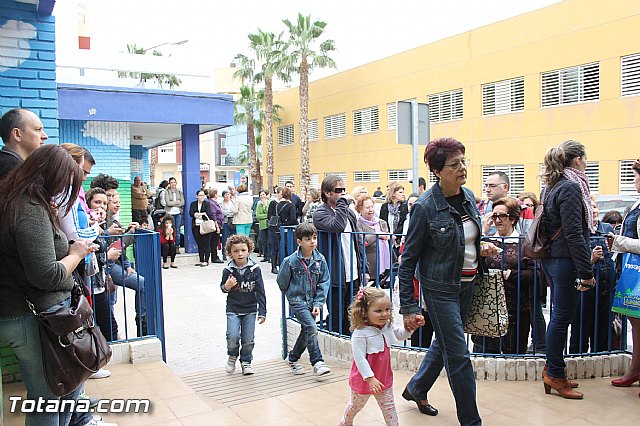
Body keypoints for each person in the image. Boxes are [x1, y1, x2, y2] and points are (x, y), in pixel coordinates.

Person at [398, 137, 498, 425]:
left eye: (463, 161)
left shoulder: (467, 196)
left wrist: (484, 247)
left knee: (444, 345)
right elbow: (408, 260)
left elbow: (466, 239)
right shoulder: (426, 207)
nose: (462, 168)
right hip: (439, 290)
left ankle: (417, 388)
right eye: (454, 164)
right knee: (459, 356)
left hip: (468, 285)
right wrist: (409, 306)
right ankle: (471, 421)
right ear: (438, 171)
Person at [0, 145, 98, 425]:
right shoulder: (29, 208)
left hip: (29, 314)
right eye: (65, 183)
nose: (65, 192)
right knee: (46, 399)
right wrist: (75, 254)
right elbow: (47, 275)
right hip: (32, 317)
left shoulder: (15, 200)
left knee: (61, 392)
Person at [540, 139, 596, 399]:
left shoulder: (552, 186)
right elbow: (575, 234)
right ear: (577, 160)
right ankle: (554, 373)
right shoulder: (571, 187)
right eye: (585, 159)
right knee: (562, 318)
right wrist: (586, 272)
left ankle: (555, 370)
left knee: (559, 317)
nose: (586, 164)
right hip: (564, 261)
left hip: (553, 259)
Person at [340, 286, 422, 426]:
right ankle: (346, 422)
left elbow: (400, 335)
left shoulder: (386, 326)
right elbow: (359, 359)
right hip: (364, 380)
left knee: (389, 408)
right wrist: (370, 379)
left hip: (384, 379)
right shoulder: (360, 333)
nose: (384, 314)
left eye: (387, 309)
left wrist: (412, 327)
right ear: (364, 312)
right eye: (378, 311)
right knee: (356, 406)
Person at [475, 197, 535, 354]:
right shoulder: (486, 240)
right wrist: (483, 234)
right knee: (486, 356)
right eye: (494, 216)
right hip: (489, 309)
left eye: (502, 216)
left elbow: (535, 275)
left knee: (514, 355)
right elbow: (473, 265)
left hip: (516, 308)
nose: (497, 220)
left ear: (513, 219)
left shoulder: (524, 243)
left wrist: (510, 275)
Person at [313, 175, 367, 336]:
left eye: (344, 190)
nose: (343, 193)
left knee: (352, 316)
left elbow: (357, 241)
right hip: (335, 274)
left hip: (353, 274)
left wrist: (364, 268)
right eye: (338, 190)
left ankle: (350, 349)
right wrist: (343, 203)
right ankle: (335, 350)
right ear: (327, 193)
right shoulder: (320, 213)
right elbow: (337, 225)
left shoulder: (348, 213)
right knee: (336, 317)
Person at [277, 223, 332, 378]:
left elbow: (324, 282)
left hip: (312, 301)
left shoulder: (320, 260)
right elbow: (282, 282)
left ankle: (293, 358)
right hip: (297, 300)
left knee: (306, 330)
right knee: (311, 327)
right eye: (308, 239)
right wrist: (292, 296)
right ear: (299, 241)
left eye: (314, 238)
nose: (313, 242)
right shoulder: (291, 261)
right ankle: (317, 362)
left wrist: (318, 303)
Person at [608, 158, 640, 396]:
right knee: (634, 322)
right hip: (631, 271)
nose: (633, 180)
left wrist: (618, 242)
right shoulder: (635, 205)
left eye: (636, 175)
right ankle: (635, 369)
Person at [569, 196, 615, 353]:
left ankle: (600, 360)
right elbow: (575, 263)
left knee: (602, 333)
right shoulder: (580, 232)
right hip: (585, 290)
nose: (594, 211)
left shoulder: (607, 229)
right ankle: (577, 362)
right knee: (580, 333)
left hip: (606, 289)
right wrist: (591, 259)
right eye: (590, 207)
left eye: (595, 207)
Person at [221, 234, 267, 376]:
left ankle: (246, 362)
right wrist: (227, 286)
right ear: (230, 253)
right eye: (235, 251)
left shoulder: (255, 269)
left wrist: (262, 311)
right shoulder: (228, 270)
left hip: (250, 309)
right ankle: (232, 356)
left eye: (243, 250)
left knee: (248, 339)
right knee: (233, 336)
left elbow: (260, 291)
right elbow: (223, 288)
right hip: (233, 308)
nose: (240, 254)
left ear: (249, 250)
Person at [0, 108, 48, 180]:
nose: (45, 136)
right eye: (38, 129)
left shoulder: (18, 167)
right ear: (17, 134)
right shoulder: (12, 171)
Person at [355, 196, 391, 287]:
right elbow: (363, 242)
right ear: (360, 209)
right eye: (367, 208)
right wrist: (377, 235)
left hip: (385, 266)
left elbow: (387, 237)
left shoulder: (382, 222)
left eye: (372, 207)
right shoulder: (358, 224)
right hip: (370, 268)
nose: (371, 210)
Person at [379, 182, 408, 251]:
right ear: (393, 193)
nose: (403, 194)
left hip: (399, 241)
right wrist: (387, 235)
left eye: (403, 192)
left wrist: (395, 235)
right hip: (387, 240)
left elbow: (404, 223)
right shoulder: (384, 207)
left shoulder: (404, 206)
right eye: (400, 192)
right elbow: (382, 222)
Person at [189, 189, 214, 267]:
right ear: (197, 196)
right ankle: (201, 260)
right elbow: (191, 213)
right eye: (200, 195)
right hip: (196, 225)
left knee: (206, 243)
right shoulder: (193, 204)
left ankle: (206, 260)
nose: (202, 197)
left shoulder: (207, 204)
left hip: (205, 226)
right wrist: (197, 214)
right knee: (199, 243)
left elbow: (208, 214)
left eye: (203, 195)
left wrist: (199, 214)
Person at [206, 188, 225, 264]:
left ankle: (215, 256)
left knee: (215, 241)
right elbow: (213, 215)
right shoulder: (211, 203)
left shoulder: (214, 202)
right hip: (215, 225)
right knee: (214, 241)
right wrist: (217, 226)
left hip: (219, 223)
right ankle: (214, 257)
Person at [165, 177, 185, 247]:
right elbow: (168, 203)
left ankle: (177, 246)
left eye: (174, 182)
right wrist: (177, 202)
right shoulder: (167, 192)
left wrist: (173, 203)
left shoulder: (179, 192)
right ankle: (170, 245)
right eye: (171, 182)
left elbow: (182, 202)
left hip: (178, 213)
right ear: (169, 184)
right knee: (170, 229)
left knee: (178, 230)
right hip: (170, 213)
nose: (173, 184)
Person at [267, 187, 283, 273]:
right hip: (274, 228)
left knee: (281, 247)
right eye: (281, 193)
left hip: (281, 228)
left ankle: (279, 264)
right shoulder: (273, 203)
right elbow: (269, 215)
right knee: (274, 247)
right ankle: (273, 266)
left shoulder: (285, 203)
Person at [255, 190, 271, 262]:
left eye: (263, 194)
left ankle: (270, 256)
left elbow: (269, 213)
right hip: (262, 225)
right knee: (263, 241)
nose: (262, 196)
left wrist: (265, 206)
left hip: (269, 225)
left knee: (269, 241)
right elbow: (258, 216)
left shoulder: (270, 203)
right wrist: (265, 216)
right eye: (261, 195)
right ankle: (265, 256)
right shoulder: (258, 205)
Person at [221, 189, 236, 260]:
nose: (227, 196)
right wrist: (229, 212)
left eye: (229, 194)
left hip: (233, 222)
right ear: (223, 196)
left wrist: (230, 213)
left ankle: (233, 254)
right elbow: (222, 212)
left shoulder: (233, 202)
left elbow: (235, 211)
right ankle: (224, 254)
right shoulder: (221, 203)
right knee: (224, 238)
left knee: (234, 238)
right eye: (226, 194)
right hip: (225, 222)